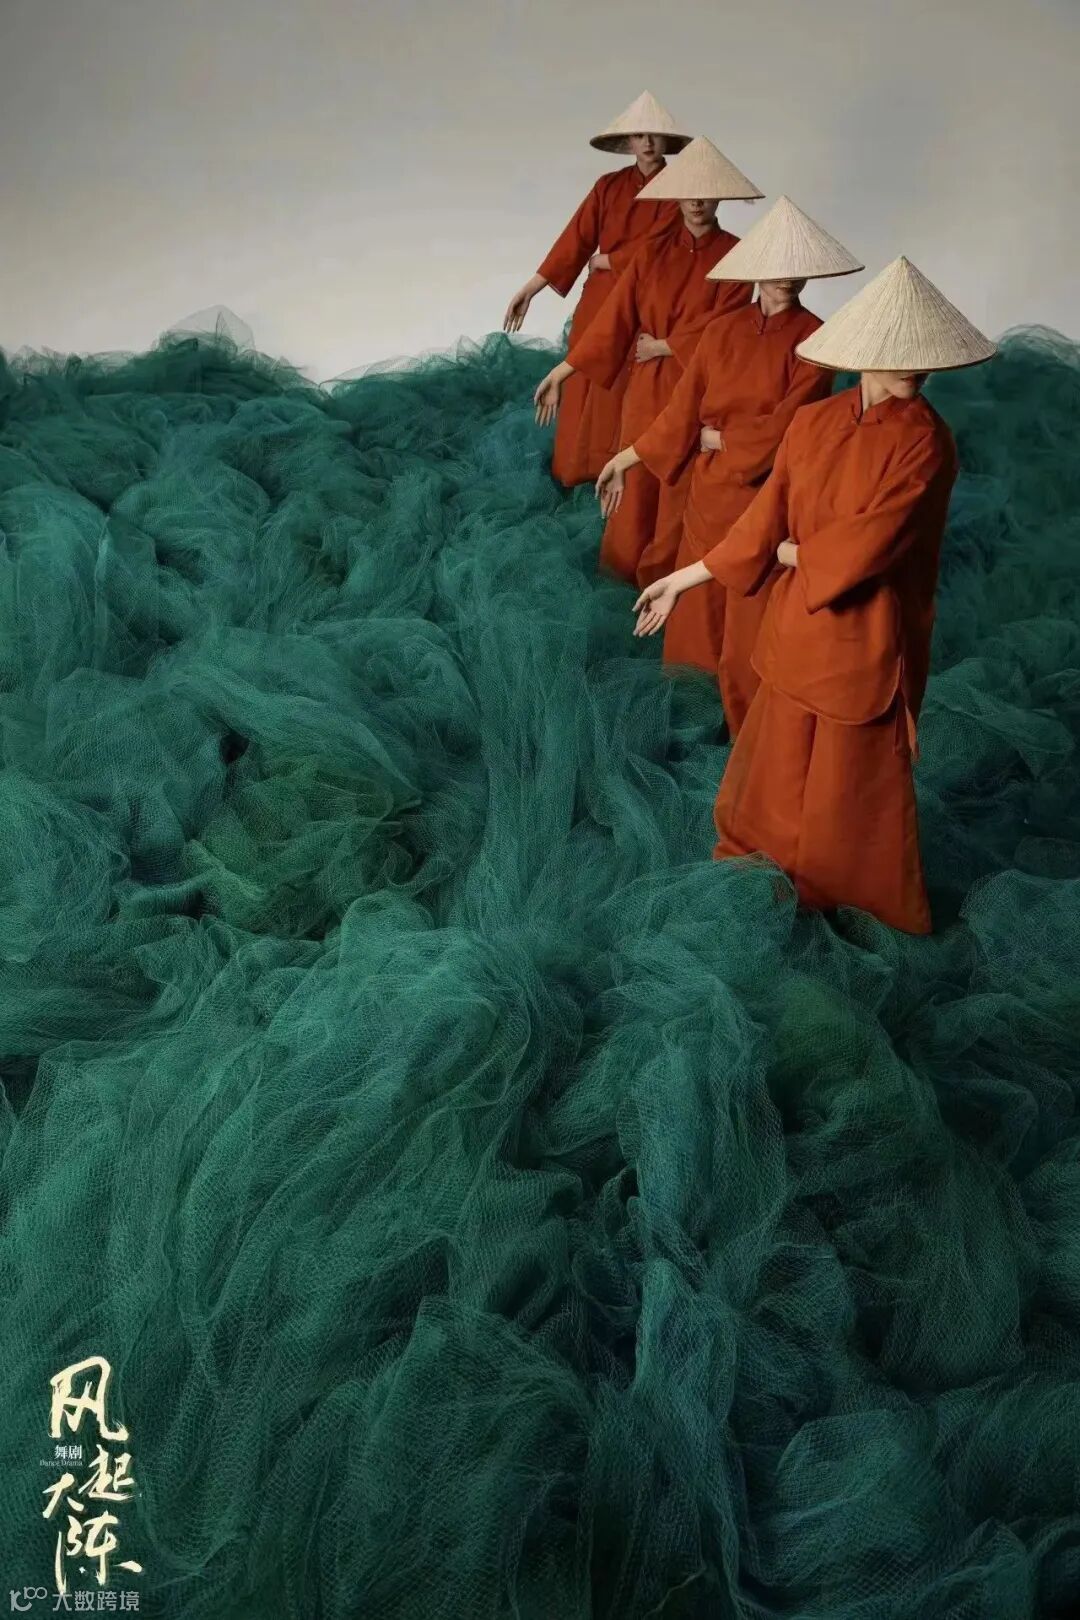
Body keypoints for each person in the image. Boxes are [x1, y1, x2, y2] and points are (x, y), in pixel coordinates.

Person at [632, 256, 997, 933]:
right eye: (903, 354)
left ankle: (849, 893)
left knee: (849, 782)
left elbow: (871, 545)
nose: (918, 369)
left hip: (865, 635)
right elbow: (763, 519)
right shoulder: (813, 423)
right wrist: (683, 579)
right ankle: (776, 868)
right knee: (777, 764)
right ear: (865, 352)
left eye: (925, 358)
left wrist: (794, 553)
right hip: (797, 622)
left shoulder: (927, 444)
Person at [597, 197, 862, 735]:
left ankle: (749, 726)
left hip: (769, 496)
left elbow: (790, 427)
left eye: (797, 267)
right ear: (757, 268)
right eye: (777, 265)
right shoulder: (721, 331)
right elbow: (681, 411)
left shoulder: (817, 341)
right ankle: (689, 719)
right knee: (696, 616)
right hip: (708, 490)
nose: (787, 276)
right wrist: (625, 458)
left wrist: (717, 437)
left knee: (750, 621)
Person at [532, 137, 761, 581]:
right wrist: (564, 370)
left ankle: (668, 579)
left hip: (700, 388)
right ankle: (621, 574)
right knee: (633, 483)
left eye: (706, 193)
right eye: (688, 192)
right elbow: (615, 318)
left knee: (680, 486)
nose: (697, 202)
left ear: (719, 198)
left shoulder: (737, 256)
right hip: (647, 387)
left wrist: (664, 346)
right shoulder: (652, 252)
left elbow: (728, 325)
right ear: (676, 195)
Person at [503, 92, 690, 488]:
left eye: (654, 135)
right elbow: (577, 238)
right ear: (629, 141)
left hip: (644, 302)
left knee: (625, 385)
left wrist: (609, 260)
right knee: (581, 377)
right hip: (598, 298)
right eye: (639, 135)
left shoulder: (682, 190)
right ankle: (573, 470)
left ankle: (617, 471)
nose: (648, 143)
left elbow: (661, 250)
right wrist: (533, 287)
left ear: (667, 140)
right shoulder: (608, 186)